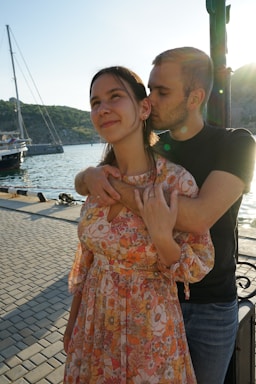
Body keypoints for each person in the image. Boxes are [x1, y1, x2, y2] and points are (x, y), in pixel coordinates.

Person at [74, 48, 256, 384]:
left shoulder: (236, 143)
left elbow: (198, 216)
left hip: (210, 304)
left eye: (162, 91)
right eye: (149, 90)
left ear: (195, 97)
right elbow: (106, 171)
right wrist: (87, 175)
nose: (150, 98)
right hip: (149, 301)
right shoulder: (155, 147)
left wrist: (112, 183)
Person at [63, 65, 214, 383]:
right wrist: (73, 323)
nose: (102, 108)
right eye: (95, 103)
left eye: (114, 97)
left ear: (144, 107)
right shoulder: (98, 179)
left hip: (149, 339)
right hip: (93, 330)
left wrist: (163, 238)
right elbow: (88, 259)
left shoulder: (174, 181)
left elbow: (197, 266)